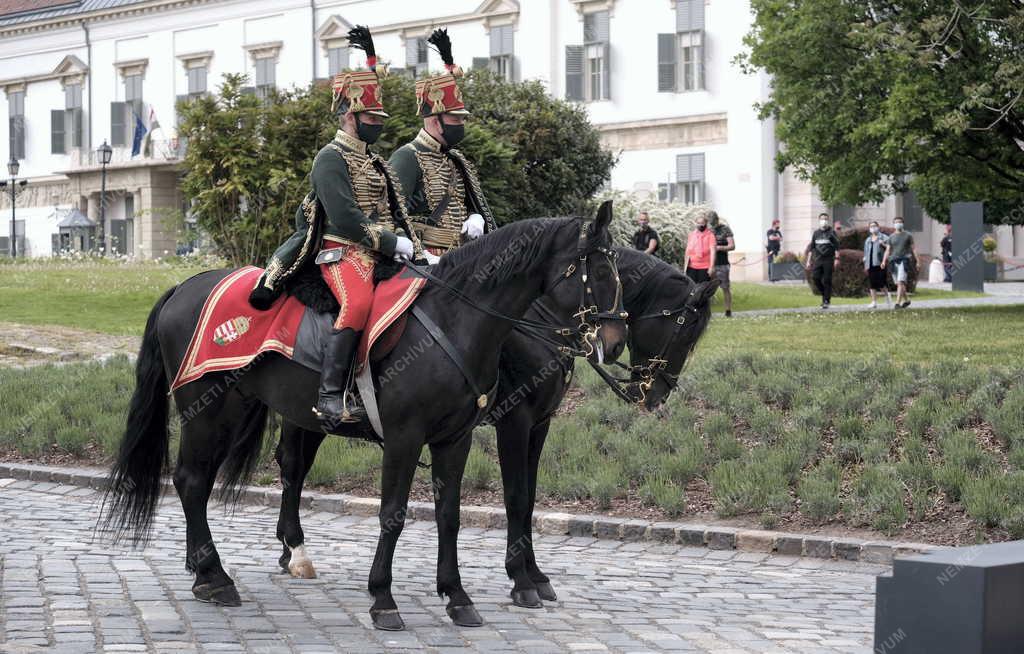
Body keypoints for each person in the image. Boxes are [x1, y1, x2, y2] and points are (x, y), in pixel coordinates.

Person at [249, 26, 422, 428]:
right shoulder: (330, 158)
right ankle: (330, 395)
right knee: (358, 303)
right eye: (371, 116)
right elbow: (344, 217)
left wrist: (413, 243)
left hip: (380, 252)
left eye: (380, 117)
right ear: (349, 115)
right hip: (342, 250)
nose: (378, 123)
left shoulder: (376, 162)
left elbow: (395, 207)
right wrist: (391, 241)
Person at [389, 29, 495, 262]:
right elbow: (389, 215)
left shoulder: (455, 159)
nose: (461, 124)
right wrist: (420, 254)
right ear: (436, 121)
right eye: (456, 119)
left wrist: (475, 217)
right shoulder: (407, 157)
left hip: (461, 256)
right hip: (424, 259)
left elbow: (465, 204)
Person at [804, 213, 841, 309]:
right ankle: (825, 294)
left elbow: (837, 247)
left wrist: (837, 259)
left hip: (828, 259)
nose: (823, 221)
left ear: (828, 220)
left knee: (827, 280)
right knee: (815, 278)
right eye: (822, 219)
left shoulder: (832, 232)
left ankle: (826, 301)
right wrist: (808, 261)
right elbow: (812, 248)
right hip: (818, 260)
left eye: (825, 219)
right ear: (819, 220)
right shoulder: (816, 233)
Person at [882, 216, 919, 309]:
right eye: (896, 222)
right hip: (893, 261)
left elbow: (913, 249)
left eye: (899, 222)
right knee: (898, 283)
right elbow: (888, 250)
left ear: (903, 223)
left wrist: (918, 261)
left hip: (904, 260)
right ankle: (906, 300)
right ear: (893, 224)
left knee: (900, 281)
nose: (898, 223)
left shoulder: (908, 235)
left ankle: (897, 303)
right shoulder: (891, 237)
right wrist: (883, 261)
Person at [709, 211, 735, 316]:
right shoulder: (707, 230)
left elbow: (732, 246)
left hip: (722, 263)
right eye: (710, 223)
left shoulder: (725, 229)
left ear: (717, 219)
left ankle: (728, 311)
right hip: (708, 264)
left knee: (725, 287)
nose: (712, 225)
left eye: (713, 222)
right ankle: (707, 312)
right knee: (708, 288)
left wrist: (720, 248)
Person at [863, 221, 891, 309]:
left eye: (875, 226)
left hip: (880, 263)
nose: (873, 227)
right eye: (871, 226)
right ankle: (874, 302)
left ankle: (887, 297)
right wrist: (865, 264)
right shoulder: (868, 240)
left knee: (881, 283)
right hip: (870, 264)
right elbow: (866, 252)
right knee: (872, 284)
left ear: (878, 227)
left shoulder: (884, 237)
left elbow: (889, 248)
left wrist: (883, 244)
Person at [684, 214, 717, 283]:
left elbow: (713, 252)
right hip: (691, 266)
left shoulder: (710, 235)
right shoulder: (692, 235)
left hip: (705, 267)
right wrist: (685, 267)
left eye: (702, 223)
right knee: (692, 287)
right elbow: (687, 251)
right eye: (698, 223)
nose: (700, 225)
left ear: (706, 223)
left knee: (702, 288)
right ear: (695, 223)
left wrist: (712, 267)